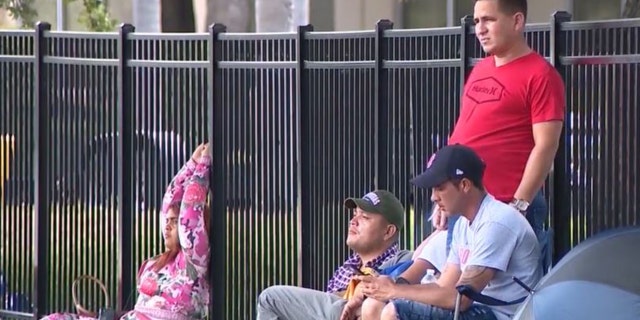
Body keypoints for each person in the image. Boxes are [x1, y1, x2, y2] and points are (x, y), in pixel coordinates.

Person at [430, 0, 566, 252]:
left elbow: (546, 145)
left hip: (504, 206)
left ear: (517, 21)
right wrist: (443, 197)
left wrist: (518, 207)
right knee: (452, 287)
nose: (480, 29)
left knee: (501, 291)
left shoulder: (541, 75)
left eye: (488, 20)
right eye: (477, 21)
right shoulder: (481, 69)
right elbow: (464, 131)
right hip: (462, 203)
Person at [358, 144, 542, 320]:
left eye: (440, 188)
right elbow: (444, 286)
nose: (433, 197)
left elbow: (460, 299)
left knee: (393, 311)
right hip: (478, 309)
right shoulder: (463, 223)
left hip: (503, 315)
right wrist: (386, 287)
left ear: (464, 185)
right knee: (372, 305)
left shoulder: (497, 222)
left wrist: (394, 291)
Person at [41, 143, 212, 320]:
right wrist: (191, 164)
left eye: (174, 222)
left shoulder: (194, 261)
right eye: (167, 221)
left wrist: (203, 166)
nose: (167, 225)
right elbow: (169, 202)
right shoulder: (161, 262)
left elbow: (190, 214)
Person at [256, 190, 413, 320]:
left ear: (388, 231)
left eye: (364, 217)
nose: (353, 221)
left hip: (354, 311)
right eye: (354, 214)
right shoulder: (348, 266)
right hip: (340, 310)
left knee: (270, 298)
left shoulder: (404, 259)